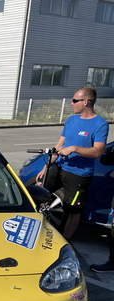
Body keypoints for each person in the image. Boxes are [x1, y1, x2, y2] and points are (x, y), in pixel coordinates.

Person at [37, 86, 109, 239]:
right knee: (38, 197)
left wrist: (75, 148)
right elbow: (58, 146)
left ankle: (65, 243)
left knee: (73, 211)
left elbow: (97, 152)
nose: (71, 103)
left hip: (78, 175)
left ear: (86, 102)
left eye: (75, 100)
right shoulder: (71, 120)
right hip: (59, 167)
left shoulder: (101, 124)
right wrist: (46, 167)